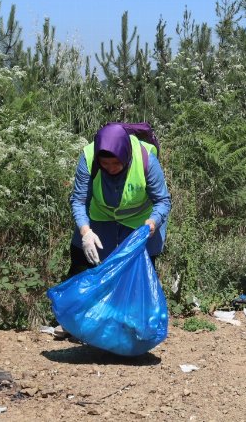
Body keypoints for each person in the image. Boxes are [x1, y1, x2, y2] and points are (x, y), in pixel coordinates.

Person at [56, 123, 171, 339]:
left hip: (141, 220)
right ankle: (76, 321)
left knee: (138, 267)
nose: (110, 168)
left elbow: (163, 201)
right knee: (86, 262)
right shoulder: (89, 157)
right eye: (105, 163)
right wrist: (85, 232)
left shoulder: (146, 160)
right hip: (102, 213)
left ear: (126, 155)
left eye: (116, 163)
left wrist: (152, 224)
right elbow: (79, 199)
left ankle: (134, 324)